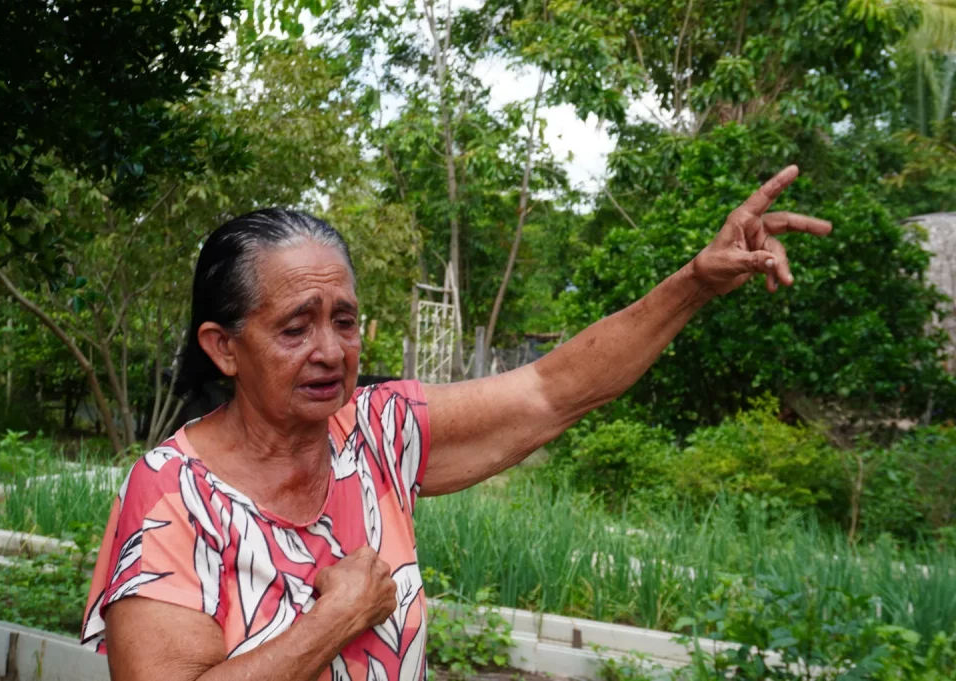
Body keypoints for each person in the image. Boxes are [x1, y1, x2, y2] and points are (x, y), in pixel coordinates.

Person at [81, 165, 831, 681]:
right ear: (223, 346)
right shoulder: (173, 494)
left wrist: (696, 283)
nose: (330, 350)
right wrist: (339, 615)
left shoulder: (378, 433)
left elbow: (551, 389)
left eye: (344, 320)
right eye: (295, 327)